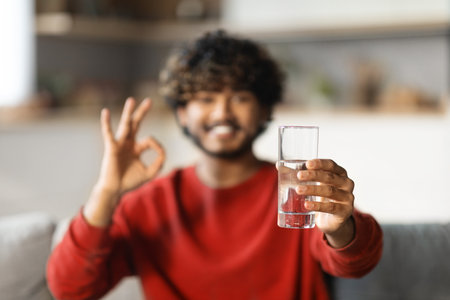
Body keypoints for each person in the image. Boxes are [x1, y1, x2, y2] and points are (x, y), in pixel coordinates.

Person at [47, 30, 382, 300]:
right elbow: (71, 289)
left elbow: (357, 262)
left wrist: (341, 226)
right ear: (181, 113)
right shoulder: (148, 204)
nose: (222, 112)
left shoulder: (296, 191)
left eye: (239, 97)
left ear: (265, 110)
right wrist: (106, 192)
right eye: (206, 98)